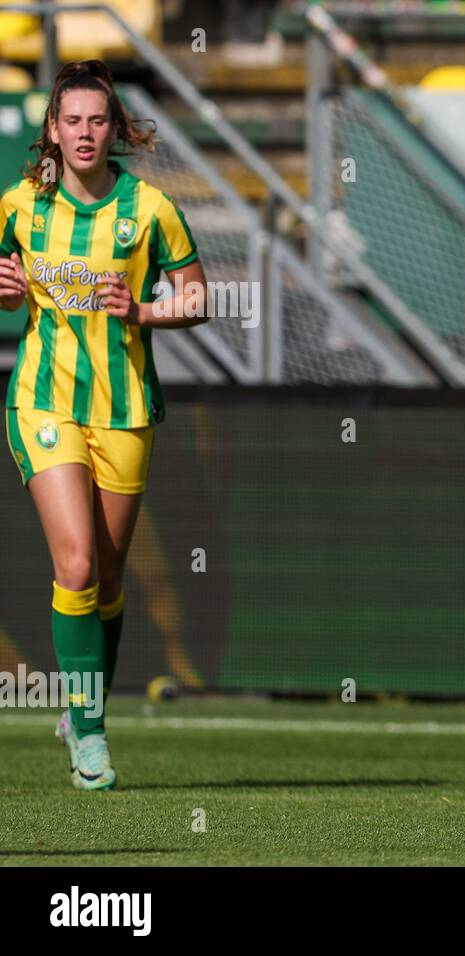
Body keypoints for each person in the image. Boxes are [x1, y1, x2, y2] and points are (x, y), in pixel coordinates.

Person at [0, 59, 209, 790]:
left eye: (98, 121)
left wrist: (144, 310)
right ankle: (89, 731)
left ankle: (82, 709)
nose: (85, 133)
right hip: (42, 403)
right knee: (79, 565)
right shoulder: (20, 204)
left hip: (123, 411)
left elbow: (197, 298)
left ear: (114, 129)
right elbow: (2, 290)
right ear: (51, 132)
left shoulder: (150, 208)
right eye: (72, 120)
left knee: (111, 578)